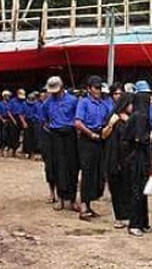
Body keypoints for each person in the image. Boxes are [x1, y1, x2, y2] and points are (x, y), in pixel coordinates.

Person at [74, 75, 113, 220]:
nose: (98, 90)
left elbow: (112, 116)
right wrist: (91, 134)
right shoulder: (83, 102)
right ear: (89, 89)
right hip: (88, 139)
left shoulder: (105, 102)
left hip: (102, 138)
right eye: (95, 88)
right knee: (88, 172)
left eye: (99, 88)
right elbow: (78, 123)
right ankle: (84, 205)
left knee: (99, 173)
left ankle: (89, 204)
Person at [41, 76, 80, 212]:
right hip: (55, 136)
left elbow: (77, 118)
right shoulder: (47, 103)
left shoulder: (73, 101)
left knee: (72, 167)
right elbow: (45, 120)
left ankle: (73, 199)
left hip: (70, 135)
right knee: (57, 167)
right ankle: (61, 198)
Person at [123, 87, 152, 237]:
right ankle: (135, 223)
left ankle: (143, 222)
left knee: (142, 191)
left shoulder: (137, 116)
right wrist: (151, 137)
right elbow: (139, 138)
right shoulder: (140, 117)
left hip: (139, 157)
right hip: (136, 158)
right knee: (137, 191)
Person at [103, 92, 133, 229]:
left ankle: (129, 214)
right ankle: (119, 216)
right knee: (116, 187)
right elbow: (103, 135)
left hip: (128, 157)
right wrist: (111, 124)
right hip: (114, 156)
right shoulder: (113, 116)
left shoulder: (133, 118)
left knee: (128, 187)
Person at [36, 90, 57, 203]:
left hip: (59, 140)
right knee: (49, 168)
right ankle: (52, 193)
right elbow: (44, 123)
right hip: (47, 140)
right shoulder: (44, 106)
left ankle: (61, 195)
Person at [22, 90, 39, 158]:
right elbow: (22, 114)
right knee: (26, 137)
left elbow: (37, 114)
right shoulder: (24, 104)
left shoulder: (36, 105)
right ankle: (27, 152)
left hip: (34, 121)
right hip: (27, 121)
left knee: (34, 137)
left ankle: (32, 152)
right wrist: (24, 122)